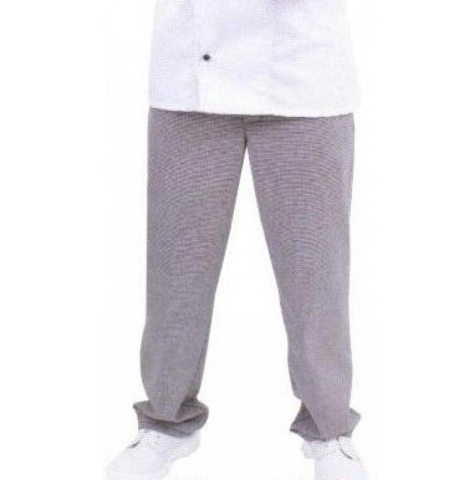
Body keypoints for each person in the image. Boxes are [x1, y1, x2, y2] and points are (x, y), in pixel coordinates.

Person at [107, 1, 369, 479]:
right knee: (175, 274)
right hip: (189, 82)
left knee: (315, 277)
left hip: (304, 77)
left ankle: (331, 433)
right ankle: (165, 422)